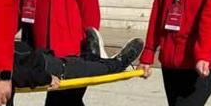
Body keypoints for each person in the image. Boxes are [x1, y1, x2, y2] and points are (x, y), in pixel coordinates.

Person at [13, 38, 143, 90]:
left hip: (45, 59)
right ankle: (119, 63)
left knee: (81, 61)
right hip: (54, 69)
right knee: (92, 68)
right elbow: (16, 75)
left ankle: (96, 56)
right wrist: (46, 78)